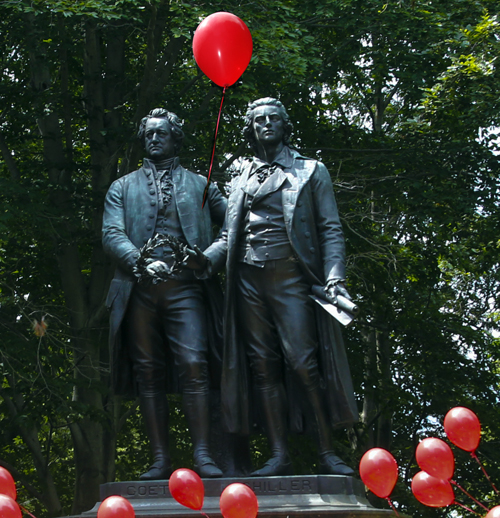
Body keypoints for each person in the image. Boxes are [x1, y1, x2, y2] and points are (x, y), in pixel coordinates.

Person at [197, 98, 358, 476]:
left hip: (290, 277)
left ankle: (326, 451)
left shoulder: (310, 171)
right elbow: (228, 234)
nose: (267, 124)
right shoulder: (240, 179)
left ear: (286, 125)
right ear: (250, 129)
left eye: (274, 119)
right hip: (248, 280)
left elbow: (330, 229)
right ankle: (278, 453)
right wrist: (206, 260)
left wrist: (335, 277)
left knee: (303, 363)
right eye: (259, 120)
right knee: (263, 367)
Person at [102, 108, 227, 480]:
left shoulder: (201, 185)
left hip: (187, 289)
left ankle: (203, 455)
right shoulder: (121, 187)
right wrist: (139, 260)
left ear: (176, 139)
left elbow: (234, 224)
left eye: (161, 134)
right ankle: (159, 460)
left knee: (194, 364)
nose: (154, 139)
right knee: (148, 372)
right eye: (149, 134)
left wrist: (208, 258)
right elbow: (112, 233)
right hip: (139, 290)